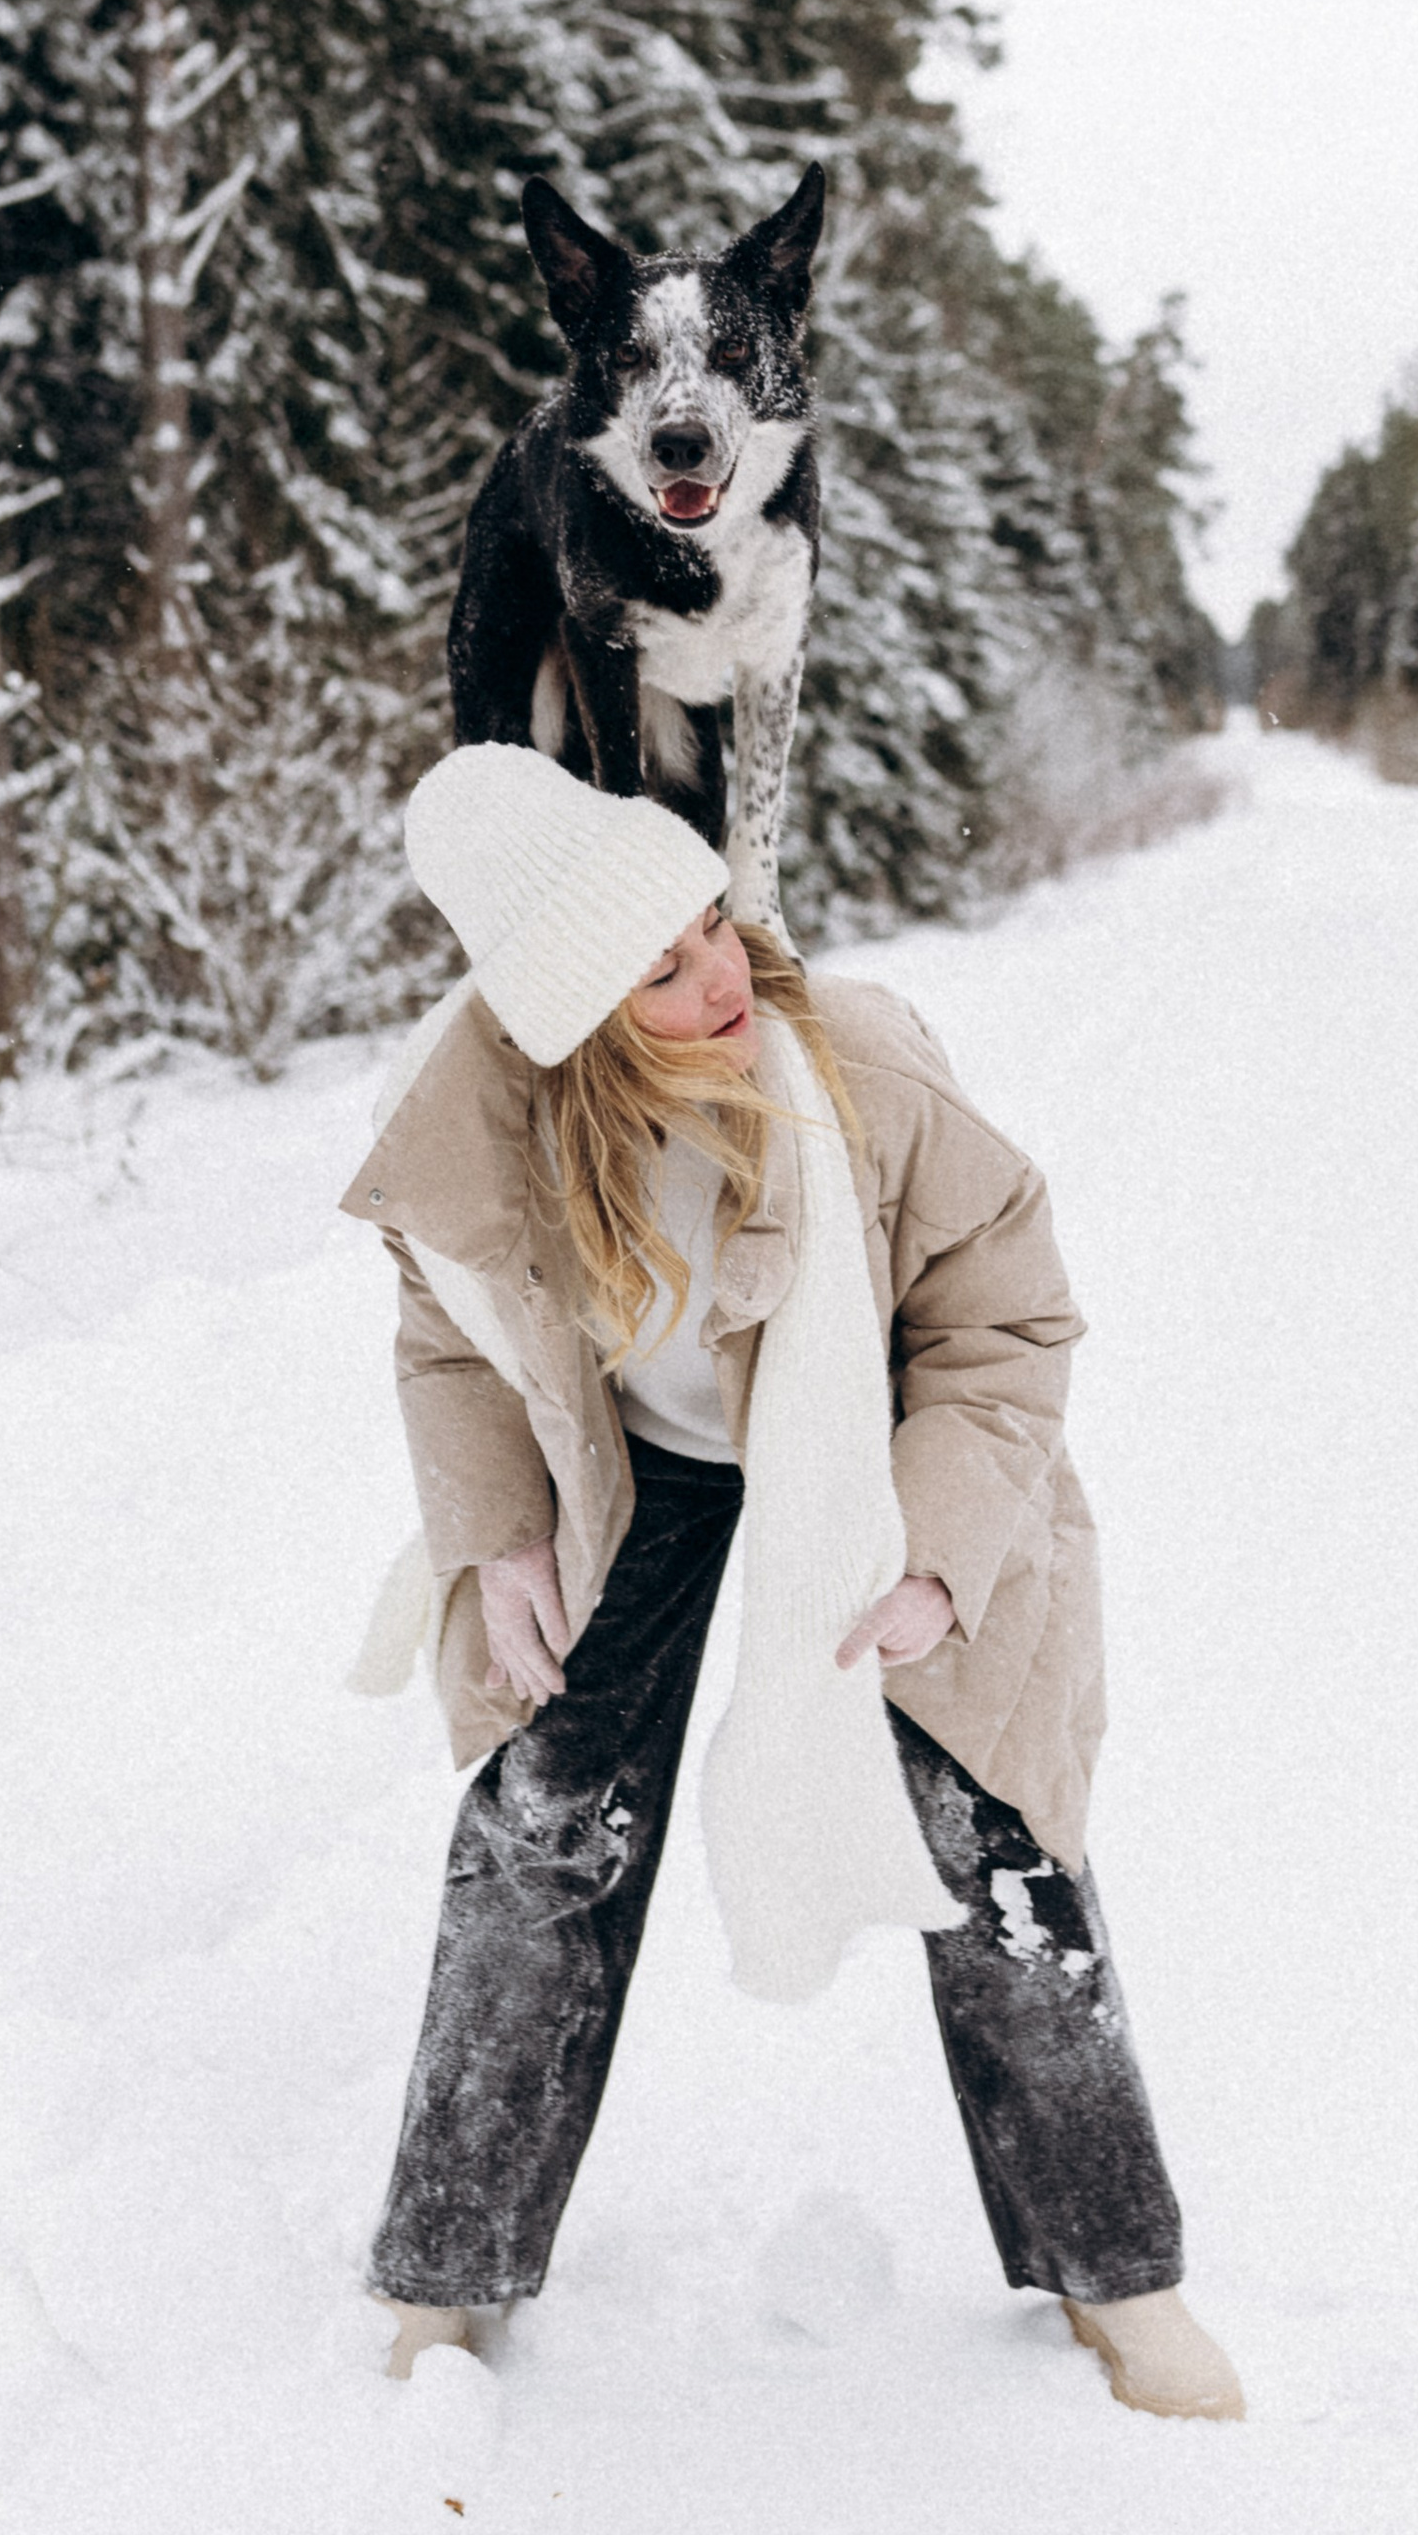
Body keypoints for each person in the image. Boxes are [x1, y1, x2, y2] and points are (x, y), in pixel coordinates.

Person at [338, 740, 1244, 2424]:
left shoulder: (872, 1077)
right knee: (542, 1822)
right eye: (660, 971)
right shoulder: (481, 1139)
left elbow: (1008, 1331)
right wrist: (497, 1531)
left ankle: (1120, 2275)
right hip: (648, 1471)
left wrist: (939, 1561)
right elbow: (447, 1345)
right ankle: (448, 2270)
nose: (721, 975)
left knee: (990, 1825)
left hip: (884, 1446)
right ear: (567, 1023)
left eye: (709, 926)